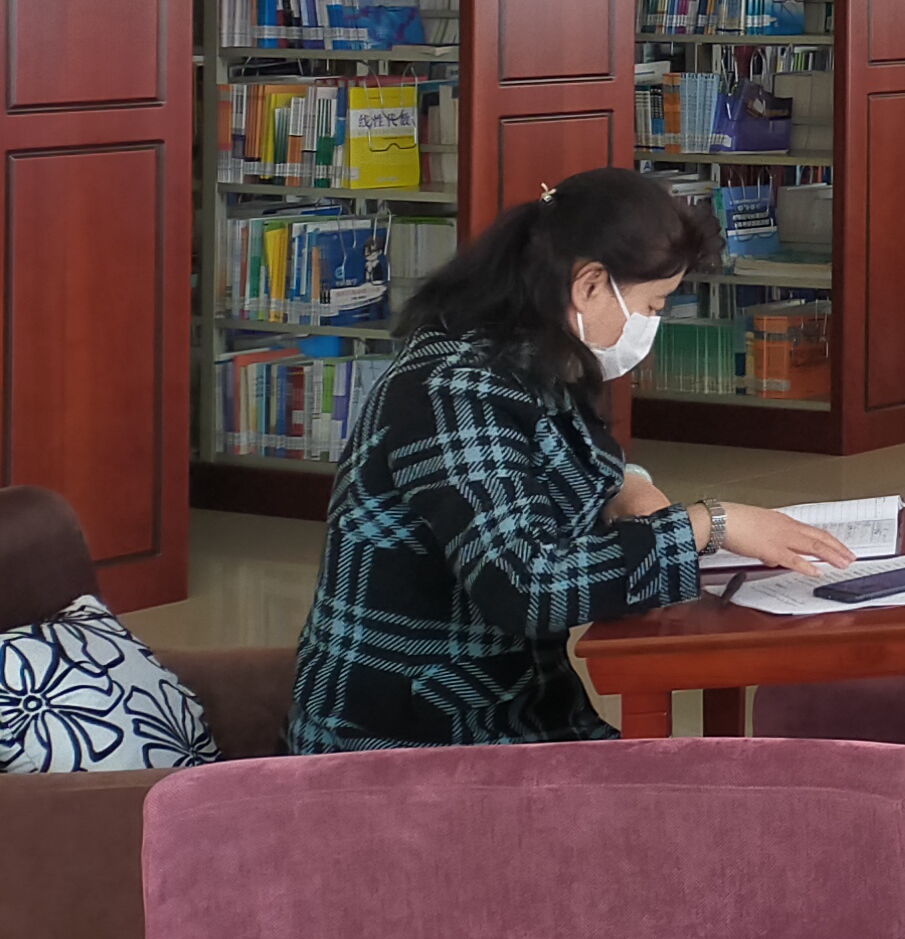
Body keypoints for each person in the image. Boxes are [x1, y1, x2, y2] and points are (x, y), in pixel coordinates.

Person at [290, 170, 854, 752]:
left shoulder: (528, 353)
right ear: (590, 285)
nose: (650, 326)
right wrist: (709, 524)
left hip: (503, 702)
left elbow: (558, 457)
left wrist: (626, 483)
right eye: (652, 305)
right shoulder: (454, 388)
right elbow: (526, 585)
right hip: (413, 739)